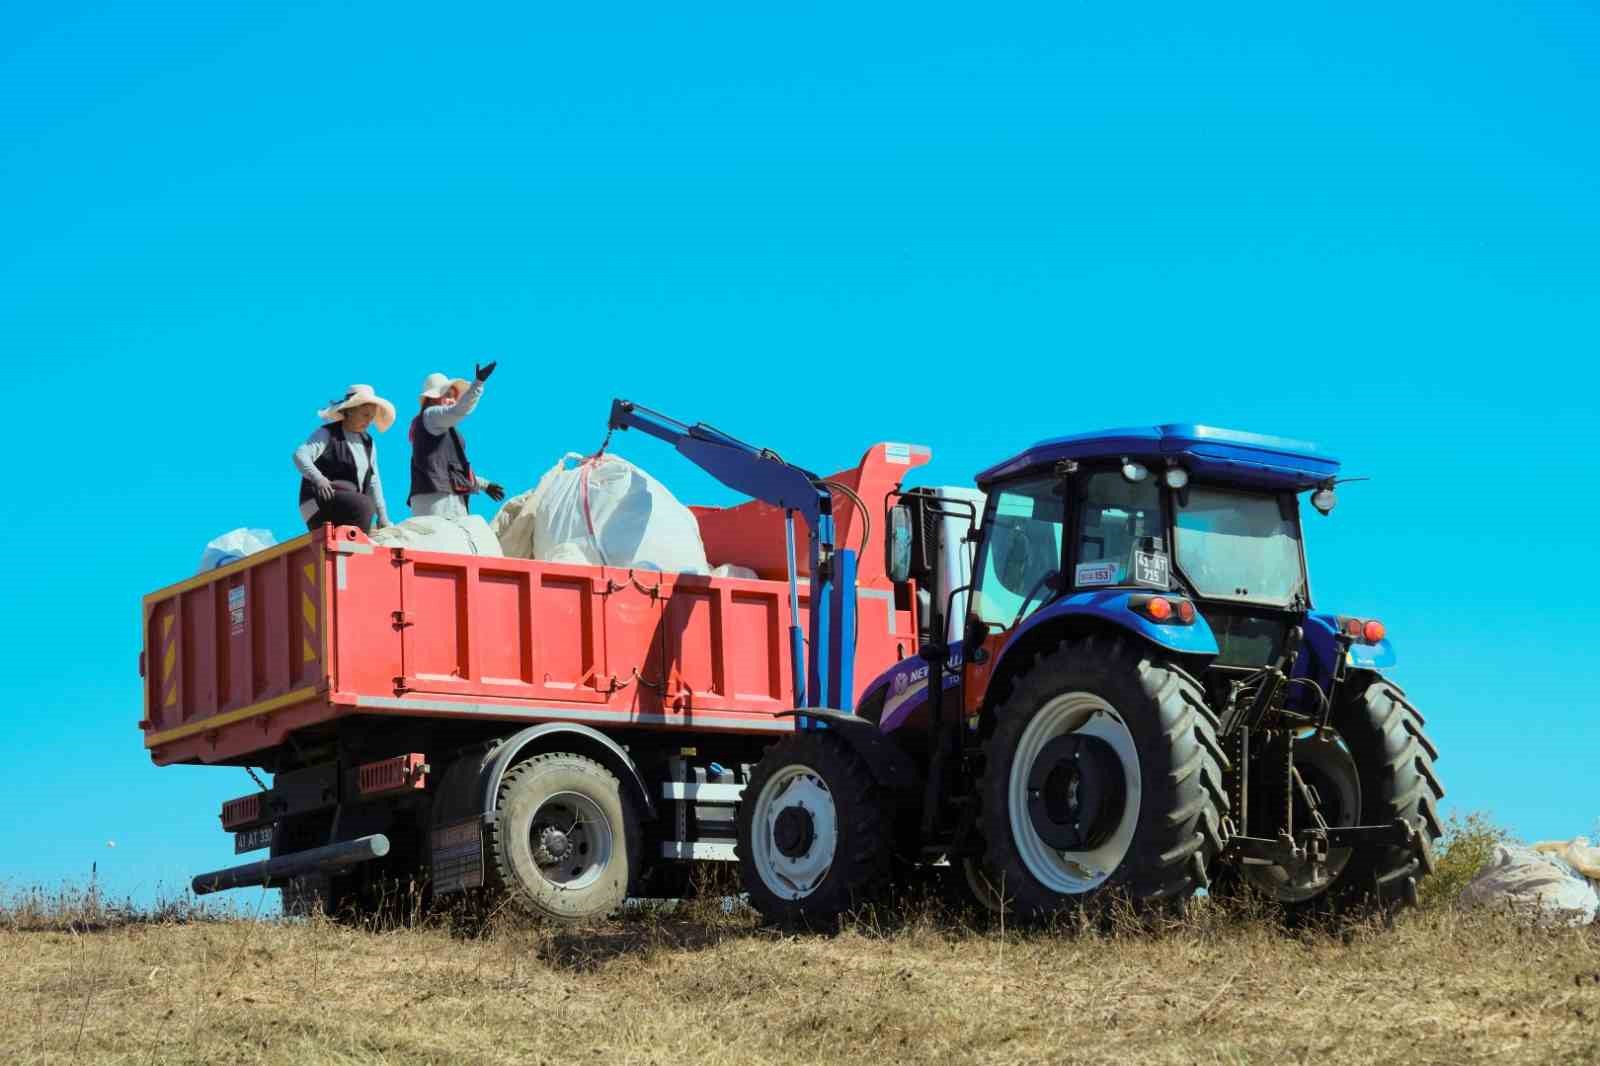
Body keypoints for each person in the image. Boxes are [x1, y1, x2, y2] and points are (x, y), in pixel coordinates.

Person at [408, 361, 506, 518]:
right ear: (433, 399)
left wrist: (484, 485)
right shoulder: (431, 415)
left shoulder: (440, 425)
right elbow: (459, 410)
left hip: (442, 496)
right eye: (447, 395)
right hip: (438, 499)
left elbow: (454, 470)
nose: (452, 400)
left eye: (454, 397)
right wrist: (478, 383)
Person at [293, 384, 396, 531]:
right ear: (349, 411)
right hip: (318, 504)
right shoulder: (327, 433)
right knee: (363, 504)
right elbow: (299, 455)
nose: (369, 421)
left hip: (350, 506)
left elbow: (374, 482)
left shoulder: (368, 443)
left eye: (371, 417)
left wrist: (382, 516)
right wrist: (318, 479)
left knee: (364, 507)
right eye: (365, 415)